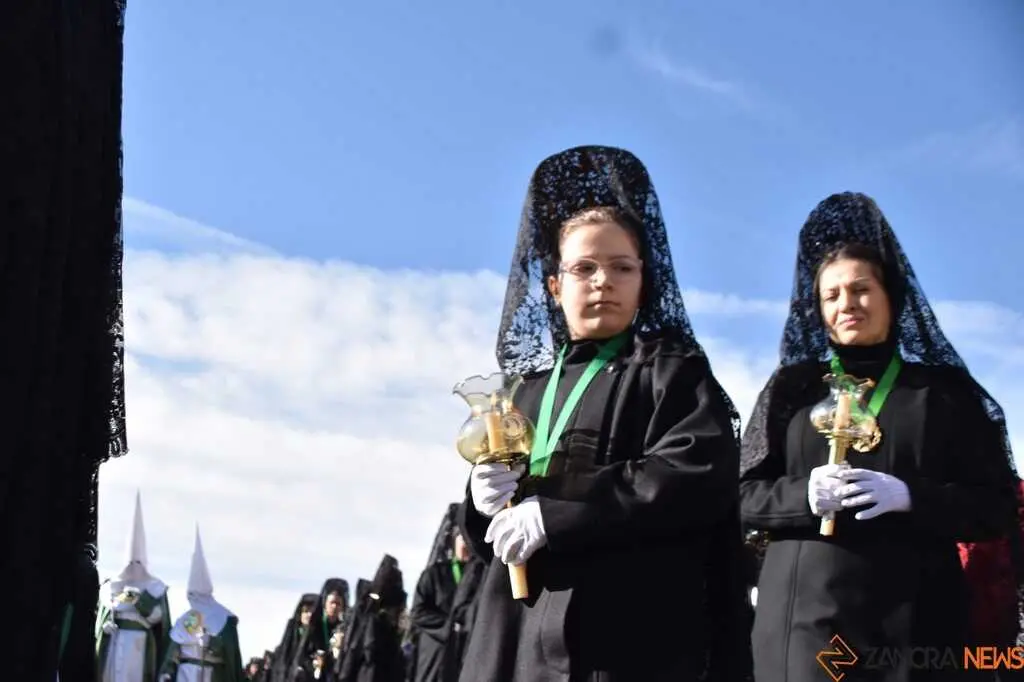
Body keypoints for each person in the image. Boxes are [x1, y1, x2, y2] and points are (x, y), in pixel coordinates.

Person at [457, 144, 751, 681]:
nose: (602, 280)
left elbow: (693, 478)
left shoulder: (672, 373)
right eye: (584, 267)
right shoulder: (524, 391)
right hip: (512, 641)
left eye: (621, 266)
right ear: (554, 285)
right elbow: (486, 540)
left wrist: (558, 515)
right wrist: (480, 503)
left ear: (644, 282)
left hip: (622, 639)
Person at [739, 191, 1020, 681]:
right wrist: (802, 494)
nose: (847, 304)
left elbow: (993, 507)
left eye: (861, 289)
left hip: (912, 628)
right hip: (804, 621)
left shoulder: (942, 394)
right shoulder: (792, 389)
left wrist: (912, 496)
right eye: (832, 295)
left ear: (892, 296)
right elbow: (741, 494)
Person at [96, 492, 173, 682]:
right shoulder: (111, 587)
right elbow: (101, 620)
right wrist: (105, 630)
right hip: (115, 642)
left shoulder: (155, 589)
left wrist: (142, 601)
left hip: (140, 645)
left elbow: (161, 623)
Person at [158, 527, 244, 682]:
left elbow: (231, 654)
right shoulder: (188, 618)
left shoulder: (223, 618)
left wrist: (212, 643)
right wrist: (167, 672)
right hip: (185, 674)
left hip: (211, 675)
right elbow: (173, 651)